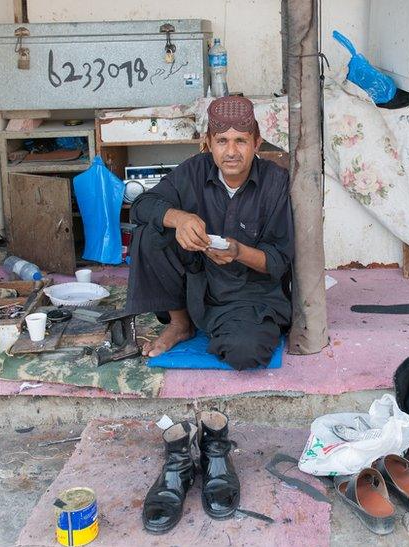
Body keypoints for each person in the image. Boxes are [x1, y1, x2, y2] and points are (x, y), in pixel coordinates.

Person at [125, 96, 294, 370]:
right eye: (222, 141)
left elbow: (278, 261)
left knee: (246, 353)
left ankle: (227, 329)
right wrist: (179, 219)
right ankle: (180, 323)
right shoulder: (194, 170)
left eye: (241, 141)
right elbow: (142, 206)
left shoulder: (275, 183)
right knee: (151, 230)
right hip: (199, 284)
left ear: (257, 143)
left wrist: (238, 252)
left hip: (249, 297)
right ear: (208, 143)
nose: (231, 152)